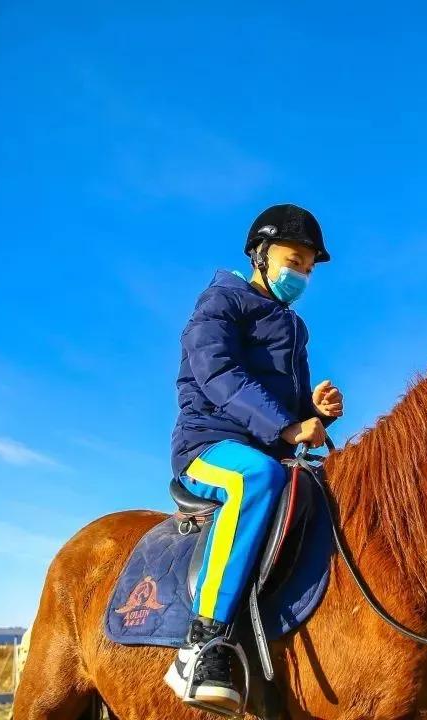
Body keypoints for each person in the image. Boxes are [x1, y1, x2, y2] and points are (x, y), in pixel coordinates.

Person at [164, 204, 343, 711]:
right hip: (209, 447)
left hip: (271, 449)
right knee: (256, 477)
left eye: (308, 268)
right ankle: (202, 643)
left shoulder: (295, 328)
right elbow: (218, 372)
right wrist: (285, 426)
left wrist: (315, 412)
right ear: (261, 256)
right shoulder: (220, 301)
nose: (300, 274)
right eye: (293, 261)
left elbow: (293, 410)